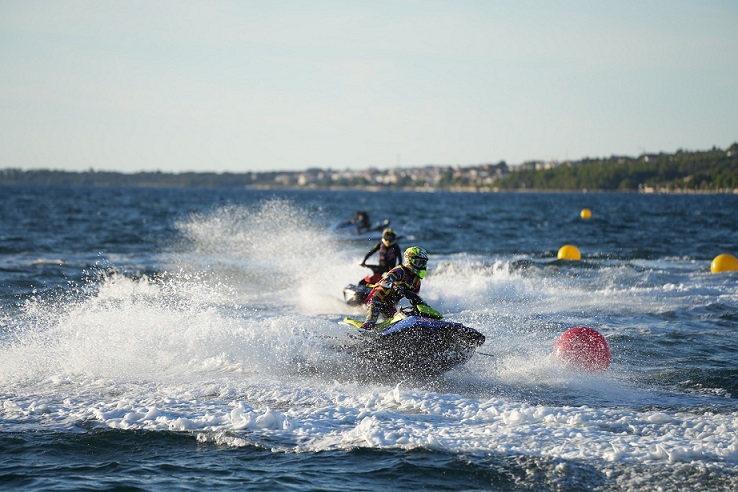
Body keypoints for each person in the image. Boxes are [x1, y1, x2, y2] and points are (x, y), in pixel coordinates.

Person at [361, 246, 429, 329]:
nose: (421, 266)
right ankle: (367, 325)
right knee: (377, 298)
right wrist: (394, 286)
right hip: (376, 300)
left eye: (423, 263)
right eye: (419, 262)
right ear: (409, 260)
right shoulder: (399, 271)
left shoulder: (416, 281)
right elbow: (383, 281)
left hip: (390, 306)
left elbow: (413, 298)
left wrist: (422, 306)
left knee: (395, 325)